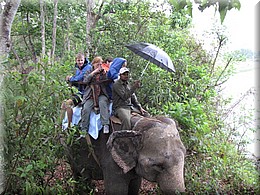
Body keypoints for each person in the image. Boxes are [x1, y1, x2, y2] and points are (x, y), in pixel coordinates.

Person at [81, 56, 110, 134]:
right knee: (86, 108)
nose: (99, 66)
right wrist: (93, 73)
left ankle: (105, 124)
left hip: (101, 93)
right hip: (90, 95)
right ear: (93, 64)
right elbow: (85, 81)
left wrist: (104, 75)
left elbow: (107, 82)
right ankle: (84, 128)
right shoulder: (89, 71)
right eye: (97, 64)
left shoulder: (103, 71)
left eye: (100, 64)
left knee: (103, 103)